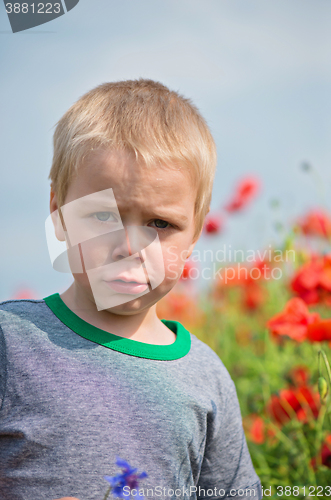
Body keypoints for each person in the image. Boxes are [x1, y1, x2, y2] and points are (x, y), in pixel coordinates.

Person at [0, 79, 262, 500]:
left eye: (161, 224)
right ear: (59, 212)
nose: (129, 247)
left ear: (195, 230)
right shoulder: (10, 342)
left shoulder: (206, 376)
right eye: (103, 217)